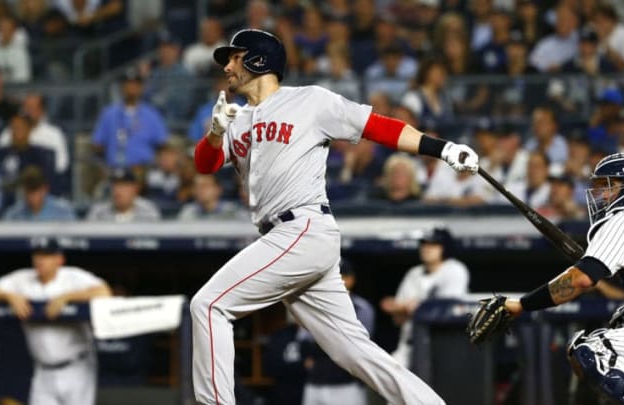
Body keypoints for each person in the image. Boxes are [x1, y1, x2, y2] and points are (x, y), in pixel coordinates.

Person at [190, 29, 478, 405]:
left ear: (258, 60)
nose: (227, 66)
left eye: (234, 57)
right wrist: (215, 133)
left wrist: (442, 149)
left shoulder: (310, 101)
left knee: (209, 305)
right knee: (354, 350)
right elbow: (204, 164)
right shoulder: (237, 118)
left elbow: (377, 126)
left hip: (301, 228)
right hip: (289, 238)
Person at [492, 152, 624, 404]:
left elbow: (581, 280)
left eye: (611, 185)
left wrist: (523, 304)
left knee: (592, 350)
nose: (603, 194)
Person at [0, 237, 112, 405]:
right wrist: (8, 295)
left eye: (47, 255)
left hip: (76, 367)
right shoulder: (22, 279)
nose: (40, 260)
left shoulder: (73, 277)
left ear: (59, 259)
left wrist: (67, 297)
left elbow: (104, 292)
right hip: (42, 370)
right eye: (37, 255)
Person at [380, 228, 469, 369]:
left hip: (441, 344)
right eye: (424, 244)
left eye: (433, 245)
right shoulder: (413, 273)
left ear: (445, 249)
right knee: (386, 374)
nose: (427, 249)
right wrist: (408, 307)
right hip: (409, 345)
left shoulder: (454, 270)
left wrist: (410, 307)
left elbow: (444, 311)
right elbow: (397, 318)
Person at [300, 259, 374, 405]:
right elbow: (304, 341)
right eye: (334, 277)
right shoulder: (313, 304)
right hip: (316, 383)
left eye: (342, 276)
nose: (338, 281)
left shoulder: (361, 307)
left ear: (351, 279)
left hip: (347, 385)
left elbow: (360, 345)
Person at [91, 69, 168, 169]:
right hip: (115, 170)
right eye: (128, 84)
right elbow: (97, 144)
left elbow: (162, 144)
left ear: (141, 88)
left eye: (135, 84)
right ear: (122, 87)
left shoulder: (152, 114)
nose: (131, 88)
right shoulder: (109, 113)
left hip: (144, 170)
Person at [2, 165, 76, 221]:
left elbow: (75, 239)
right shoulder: (13, 214)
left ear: (44, 189)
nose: (30, 196)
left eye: (34, 190)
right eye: (27, 191)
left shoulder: (63, 211)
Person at [86, 168, 160, 222]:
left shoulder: (148, 210)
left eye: (123, 186)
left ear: (135, 189)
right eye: (115, 185)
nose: (117, 190)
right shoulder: (98, 211)